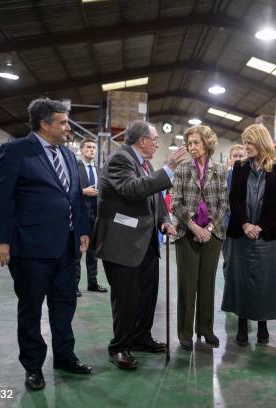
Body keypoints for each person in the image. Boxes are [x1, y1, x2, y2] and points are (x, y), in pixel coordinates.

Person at [0, 98, 93, 391]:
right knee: (31, 308)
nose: (67, 127)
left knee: (64, 305)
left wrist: (82, 229)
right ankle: (33, 366)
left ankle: (64, 356)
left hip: (67, 246)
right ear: (45, 124)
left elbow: (75, 197)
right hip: (30, 247)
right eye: (62, 122)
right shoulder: (16, 151)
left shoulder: (69, 156)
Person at [94, 120, 187, 369]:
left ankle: (141, 338)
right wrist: (168, 169)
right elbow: (132, 190)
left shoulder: (145, 163)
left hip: (145, 242)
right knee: (126, 299)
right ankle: (120, 347)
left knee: (147, 295)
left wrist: (164, 221)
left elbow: (154, 198)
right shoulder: (120, 159)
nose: (157, 144)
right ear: (142, 140)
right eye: (155, 139)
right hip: (122, 243)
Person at [222, 124, 276, 346]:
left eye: (249, 142)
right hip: (241, 233)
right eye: (244, 142)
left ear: (261, 142)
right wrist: (245, 224)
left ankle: (262, 325)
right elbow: (235, 199)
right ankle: (242, 325)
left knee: (265, 282)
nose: (246, 146)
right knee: (240, 280)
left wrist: (259, 226)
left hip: (268, 234)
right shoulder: (239, 167)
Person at [172, 125, 228, 351]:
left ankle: (205, 329)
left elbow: (224, 202)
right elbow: (175, 202)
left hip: (213, 234)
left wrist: (211, 226)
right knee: (187, 284)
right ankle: (185, 333)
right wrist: (195, 227)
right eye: (189, 143)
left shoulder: (220, 169)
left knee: (207, 283)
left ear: (207, 143)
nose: (191, 146)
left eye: (195, 142)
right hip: (188, 232)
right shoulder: (183, 168)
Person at [76, 139, 107, 296]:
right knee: (77, 252)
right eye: (88, 147)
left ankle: (92, 283)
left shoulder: (100, 170)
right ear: (82, 150)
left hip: (97, 217)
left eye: (94, 147)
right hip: (80, 216)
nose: (91, 150)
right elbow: (68, 189)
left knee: (94, 252)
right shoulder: (75, 167)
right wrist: (82, 191)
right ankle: (74, 286)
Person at [222, 144, 246, 276]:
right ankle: (230, 295)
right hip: (228, 227)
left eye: (241, 156)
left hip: (246, 228)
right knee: (229, 263)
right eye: (235, 156)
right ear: (230, 159)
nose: (238, 158)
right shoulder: (224, 177)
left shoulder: (252, 176)